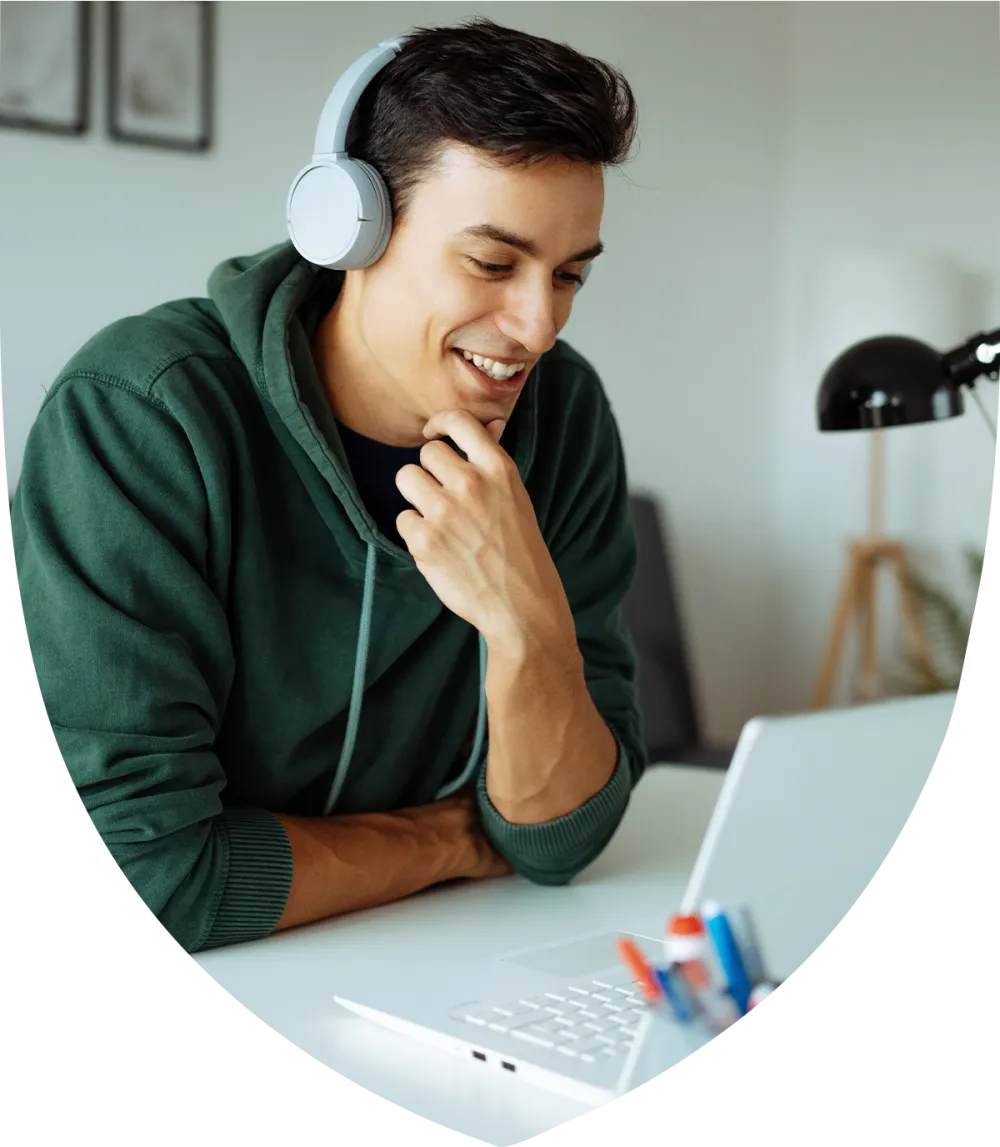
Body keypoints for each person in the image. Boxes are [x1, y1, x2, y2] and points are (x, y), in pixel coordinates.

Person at [10, 17, 647, 955]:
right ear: (347, 227)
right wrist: (458, 838)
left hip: (466, 964)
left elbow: (563, 838)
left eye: (569, 276)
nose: (537, 327)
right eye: (493, 263)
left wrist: (528, 623)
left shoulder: (569, 417)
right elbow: (144, 870)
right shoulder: (142, 413)